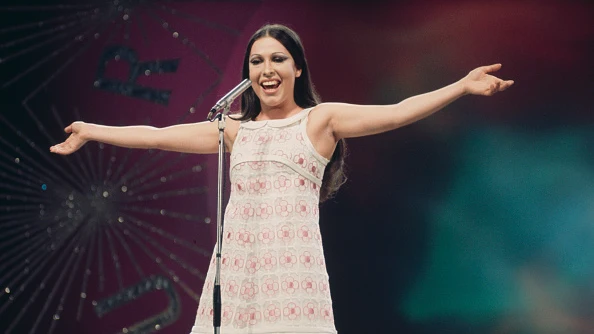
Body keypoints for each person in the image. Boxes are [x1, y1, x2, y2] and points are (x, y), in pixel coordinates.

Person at [50, 23, 513, 334]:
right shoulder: (234, 130)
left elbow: (394, 114)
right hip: (236, 271)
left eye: (276, 59)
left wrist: (461, 86)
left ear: (296, 67)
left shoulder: (320, 120)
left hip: (291, 273)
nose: (266, 70)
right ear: (248, 74)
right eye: (256, 62)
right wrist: (92, 130)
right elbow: (156, 135)